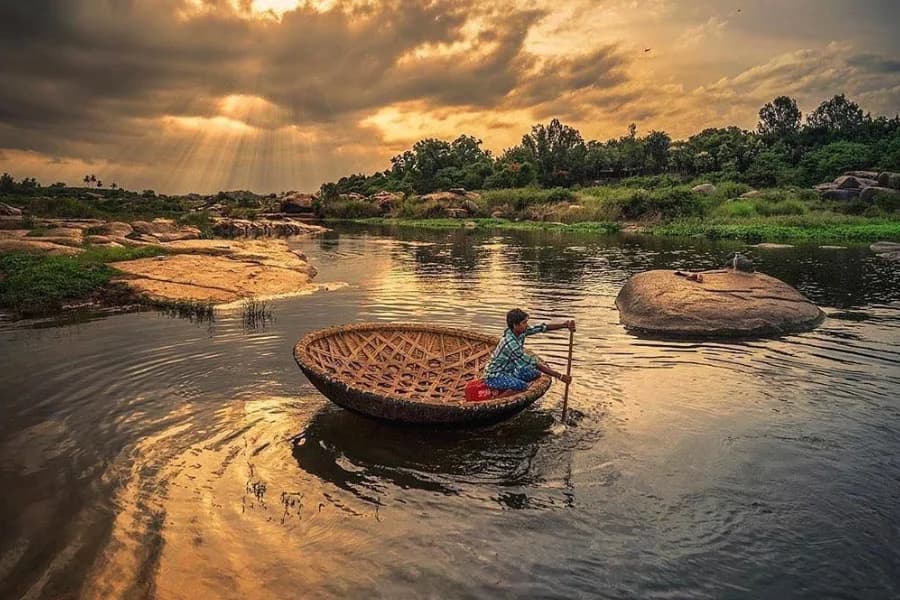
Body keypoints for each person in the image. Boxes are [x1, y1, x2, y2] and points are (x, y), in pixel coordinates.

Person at [483, 308, 574, 392]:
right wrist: (560, 376)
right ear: (515, 325)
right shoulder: (510, 343)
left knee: (535, 374)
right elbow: (533, 363)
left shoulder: (519, 332)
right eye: (524, 323)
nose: (527, 325)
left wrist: (564, 325)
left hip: (510, 370)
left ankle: (509, 383)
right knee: (522, 386)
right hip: (494, 376)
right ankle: (498, 392)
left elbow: (541, 328)